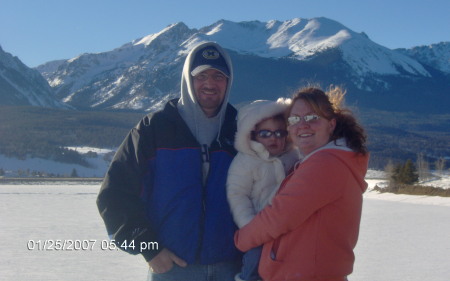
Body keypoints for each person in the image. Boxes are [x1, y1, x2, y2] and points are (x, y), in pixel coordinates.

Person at [97, 41, 241, 281]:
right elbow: (115, 194)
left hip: (231, 267)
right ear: (187, 78)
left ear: (229, 81)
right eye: (201, 75)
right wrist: (148, 247)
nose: (210, 83)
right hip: (173, 268)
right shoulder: (154, 129)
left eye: (218, 76)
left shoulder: (240, 130)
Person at [234, 86, 369, 281]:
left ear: (331, 125)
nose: (303, 125)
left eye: (312, 118)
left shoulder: (326, 164)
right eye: (295, 119)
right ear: (288, 128)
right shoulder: (325, 160)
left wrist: (241, 240)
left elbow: (280, 216)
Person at [227, 99, 299, 281]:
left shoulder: (292, 156)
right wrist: (250, 226)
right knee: (255, 265)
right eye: (265, 133)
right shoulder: (246, 161)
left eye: (279, 132)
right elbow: (237, 194)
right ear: (252, 135)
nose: (273, 138)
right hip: (258, 231)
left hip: (286, 231)